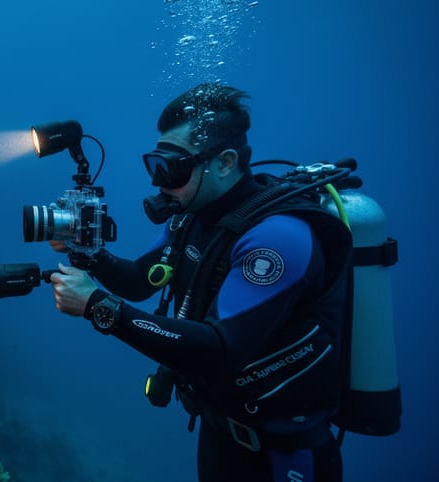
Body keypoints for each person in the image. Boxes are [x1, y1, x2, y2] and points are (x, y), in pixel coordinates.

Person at [48, 83, 351, 482]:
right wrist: (88, 255)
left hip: (283, 456)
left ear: (224, 163)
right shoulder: (192, 215)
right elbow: (141, 280)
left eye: (172, 168)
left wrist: (98, 307)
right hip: (219, 431)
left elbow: (218, 349)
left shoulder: (278, 239)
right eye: (155, 164)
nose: (159, 183)